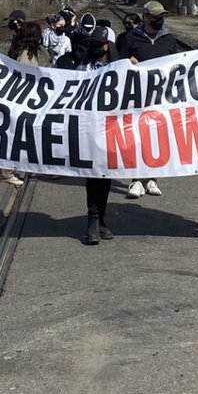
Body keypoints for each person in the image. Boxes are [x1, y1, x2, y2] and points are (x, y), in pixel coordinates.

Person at [58, 27, 118, 244]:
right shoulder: (85, 65)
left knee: (105, 177)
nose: (94, 47)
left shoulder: (119, 67)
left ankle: (101, 218)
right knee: (93, 175)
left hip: (111, 130)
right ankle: (92, 220)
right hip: (89, 129)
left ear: (107, 46)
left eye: (99, 43)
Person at [117, 0, 179, 198]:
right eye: (155, 17)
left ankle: (152, 178)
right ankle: (136, 179)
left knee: (156, 138)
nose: (159, 20)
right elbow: (119, 65)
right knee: (136, 137)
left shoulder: (169, 40)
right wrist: (129, 62)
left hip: (160, 99)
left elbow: (177, 67)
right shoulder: (131, 38)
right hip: (136, 97)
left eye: (161, 17)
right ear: (145, 18)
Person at [0, 21, 45, 187]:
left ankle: (10, 168)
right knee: (15, 136)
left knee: (15, 135)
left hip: (20, 101)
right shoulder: (26, 55)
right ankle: (7, 171)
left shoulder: (22, 51)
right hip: (21, 101)